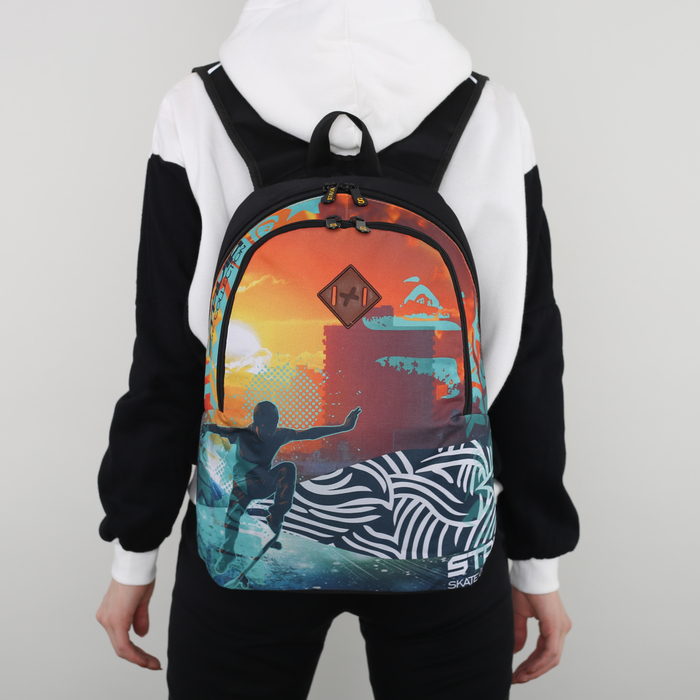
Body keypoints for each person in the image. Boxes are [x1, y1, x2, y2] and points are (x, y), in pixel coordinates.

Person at [96, 1, 579, 697]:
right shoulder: (492, 113)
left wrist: (134, 552)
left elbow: (168, 361)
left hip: (242, 561)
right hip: (444, 534)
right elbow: (527, 353)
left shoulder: (194, 107)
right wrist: (538, 559)